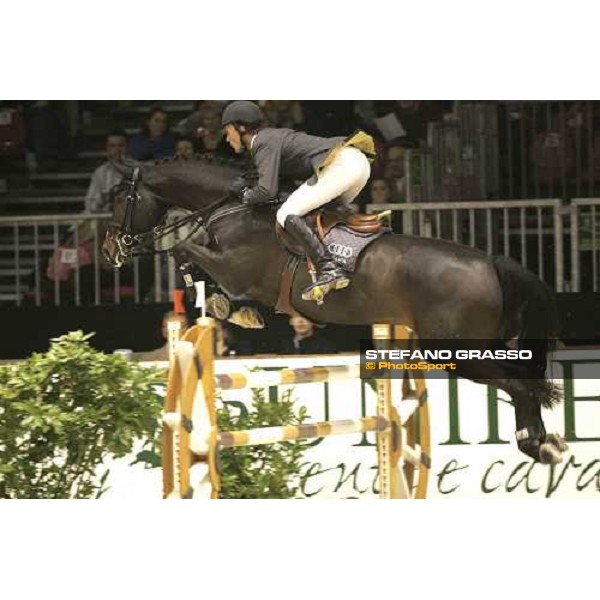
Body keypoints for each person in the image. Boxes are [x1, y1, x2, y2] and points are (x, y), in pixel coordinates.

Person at [221, 100, 375, 302]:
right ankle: (344, 259)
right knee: (319, 216)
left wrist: (245, 195)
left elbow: (266, 191)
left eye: (228, 131)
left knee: (286, 214)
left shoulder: (261, 141)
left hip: (342, 163)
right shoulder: (270, 139)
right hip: (358, 164)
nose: (226, 138)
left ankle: (329, 269)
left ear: (241, 128)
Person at [84, 131, 127, 213]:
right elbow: (90, 205)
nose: (117, 150)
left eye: (121, 145)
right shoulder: (100, 172)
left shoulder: (139, 170)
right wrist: (104, 198)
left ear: (128, 147)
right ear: (107, 148)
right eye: (112, 146)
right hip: (105, 218)